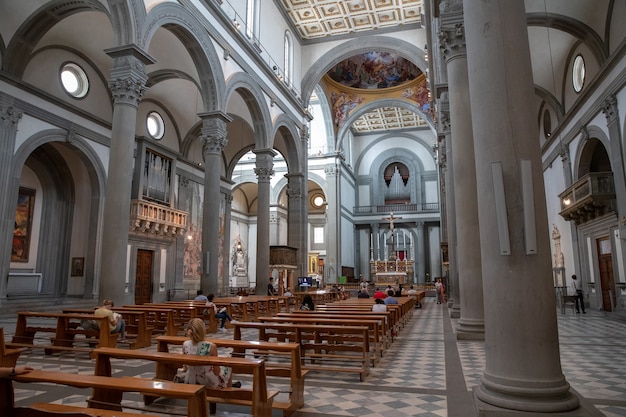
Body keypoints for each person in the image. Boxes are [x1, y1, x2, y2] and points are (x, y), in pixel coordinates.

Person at [181, 318, 235, 388]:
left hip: (190, 379)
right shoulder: (211, 346)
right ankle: (228, 392)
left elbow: (185, 368)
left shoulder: (185, 344)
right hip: (207, 381)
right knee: (228, 367)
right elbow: (217, 371)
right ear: (203, 331)